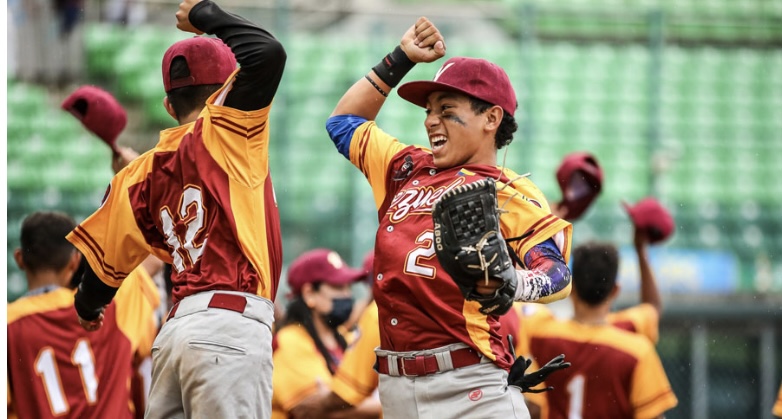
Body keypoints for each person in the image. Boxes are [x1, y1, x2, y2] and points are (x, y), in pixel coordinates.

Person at [325, 17, 573, 418]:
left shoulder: (507, 191)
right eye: (429, 110)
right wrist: (401, 59)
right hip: (395, 388)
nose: (430, 120)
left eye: (446, 109)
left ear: (491, 119)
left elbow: (558, 272)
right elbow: (343, 123)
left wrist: (516, 283)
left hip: (470, 386)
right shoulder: (404, 167)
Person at [64, 0, 287, 417]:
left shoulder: (135, 177)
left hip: (174, 335)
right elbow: (267, 53)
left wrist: (88, 307)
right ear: (226, 91)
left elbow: (98, 276)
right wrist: (203, 12)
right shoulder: (230, 128)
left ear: (169, 106)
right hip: (230, 328)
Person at [7, 211, 158, 419]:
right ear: (75, 261)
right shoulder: (112, 303)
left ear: (20, 259)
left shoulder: (8, 324)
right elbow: (154, 255)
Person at [522, 240, 678, 419]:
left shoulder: (540, 333)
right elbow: (652, 308)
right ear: (615, 290)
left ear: (571, 288)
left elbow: (534, 409)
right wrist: (641, 248)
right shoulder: (636, 350)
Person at [272, 248, 380, 418]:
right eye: (338, 287)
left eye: (348, 287)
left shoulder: (346, 338)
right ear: (309, 293)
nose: (347, 295)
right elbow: (319, 411)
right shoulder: (290, 340)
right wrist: (385, 405)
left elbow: (336, 403)